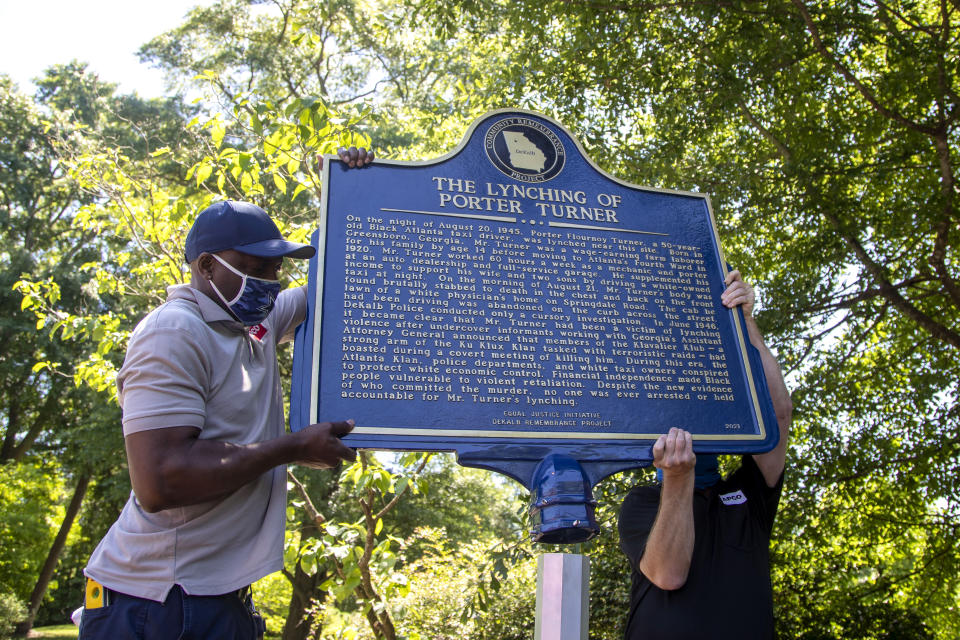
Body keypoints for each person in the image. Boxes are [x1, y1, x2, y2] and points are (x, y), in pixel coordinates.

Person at [78, 147, 373, 640]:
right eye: (254, 267)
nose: (270, 282)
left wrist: (353, 192)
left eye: (275, 269)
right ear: (208, 267)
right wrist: (293, 447)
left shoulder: (252, 323)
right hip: (155, 602)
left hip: (215, 599)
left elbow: (342, 281)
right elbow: (160, 481)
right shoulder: (173, 332)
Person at [618, 270, 793, 640]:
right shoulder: (641, 502)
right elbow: (668, 573)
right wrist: (680, 479)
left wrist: (745, 324)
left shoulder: (750, 494)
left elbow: (777, 414)